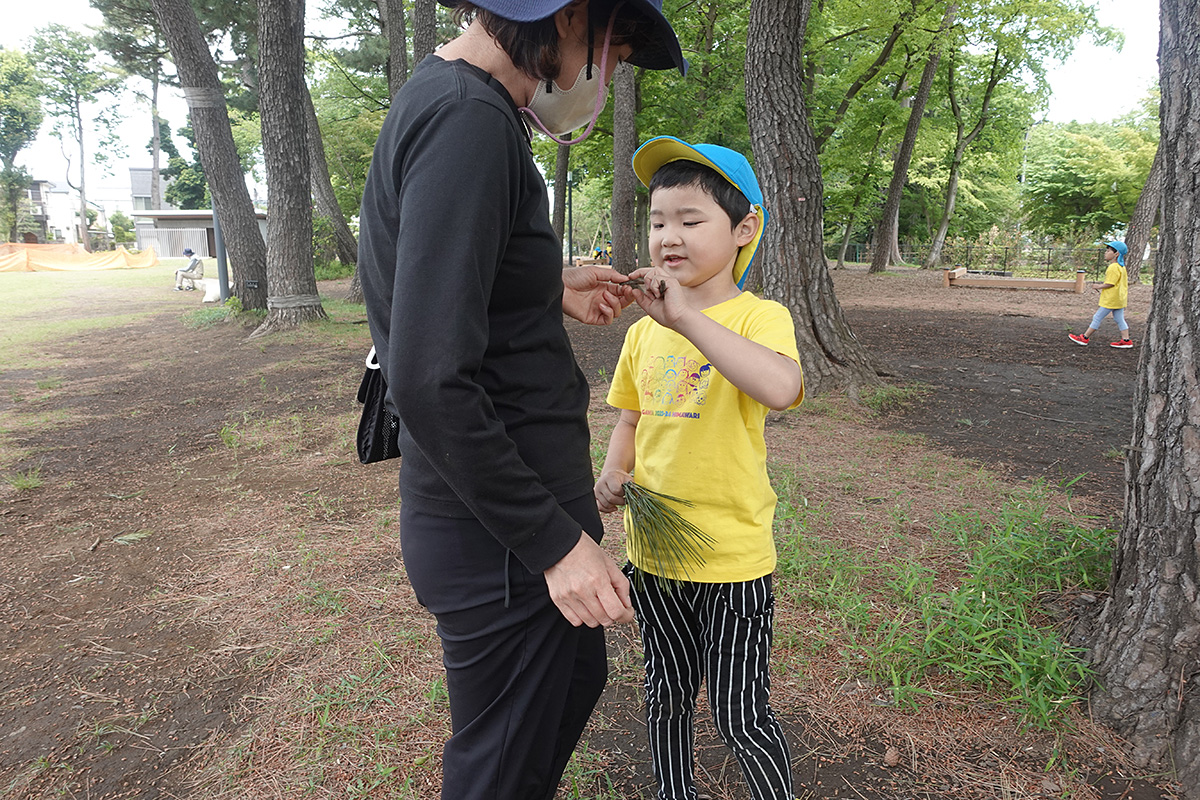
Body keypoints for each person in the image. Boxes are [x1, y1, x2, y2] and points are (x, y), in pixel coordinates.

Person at [355, 2, 686, 798]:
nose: (603, 76)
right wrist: (553, 546)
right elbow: (429, 376)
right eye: (614, 53)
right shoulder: (466, 120)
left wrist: (547, 283)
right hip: (499, 540)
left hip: (513, 518)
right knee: (501, 768)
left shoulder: (459, 103)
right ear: (569, 17)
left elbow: (447, 281)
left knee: (570, 684)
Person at [595, 136, 804, 800]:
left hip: (733, 561)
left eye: (690, 220)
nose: (668, 237)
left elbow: (781, 388)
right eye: (658, 221)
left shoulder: (759, 317)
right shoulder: (641, 332)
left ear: (744, 229)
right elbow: (630, 420)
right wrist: (613, 472)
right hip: (654, 555)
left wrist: (686, 318)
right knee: (666, 696)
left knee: (741, 714)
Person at [1069, 240, 1133, 348]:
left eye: (1108, 251)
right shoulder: (1121, 267)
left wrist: (1098, 286)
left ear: (1116, 254)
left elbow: (1110, 283)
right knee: (1119, 319)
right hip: (1119, 299)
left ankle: (1084, 338)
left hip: (1111, 299)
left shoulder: (1113, 267)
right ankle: (1126, 340)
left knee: (1097, 317)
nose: (1105, 253)